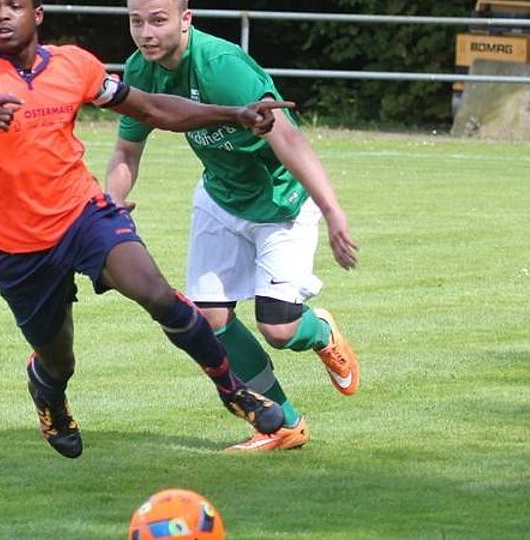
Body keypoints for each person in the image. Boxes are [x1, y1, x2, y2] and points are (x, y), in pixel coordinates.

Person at [0, 0, 294, 459]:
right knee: (59, 360)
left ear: (38, 14)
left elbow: (151, 108)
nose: (2, 16)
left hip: (83, 214)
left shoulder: (73, 65)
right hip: (18, 246)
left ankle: (234, 391)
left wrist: (232, 114)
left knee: (157, 294)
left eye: (13, 6)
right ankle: (47, 391)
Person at [105, 0, 361, 453]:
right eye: (136, 21)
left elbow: (288, 138)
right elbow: (127, 150)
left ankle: (319, 331)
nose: (146, 33)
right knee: (210, 321)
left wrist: (333, 209)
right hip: (219, 198)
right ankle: (283, 424)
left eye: (158, 20)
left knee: (279, 329)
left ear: (186, 19)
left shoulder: (222, 66)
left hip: (280, 202)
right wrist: (113, 202)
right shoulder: (140, 70)